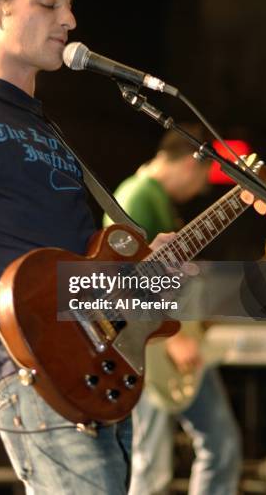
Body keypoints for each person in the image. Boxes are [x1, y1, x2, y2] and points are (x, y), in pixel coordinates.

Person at [0, 0, 266, 494]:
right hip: (33, 375)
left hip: (101, 370)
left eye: (69, 4)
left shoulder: (47, 129)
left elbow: (82, 270)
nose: (70, 19)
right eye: (49, 3)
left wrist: (152, 266)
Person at [104, 129, 242, 495]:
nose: (199, 191)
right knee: (152, 463)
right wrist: (179, 336)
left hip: (171, 340)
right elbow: (131, 278)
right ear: (188, 164)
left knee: (220, 443)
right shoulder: (139, 196)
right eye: (201, 179)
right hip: (154, 345)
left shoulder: (153, 198)